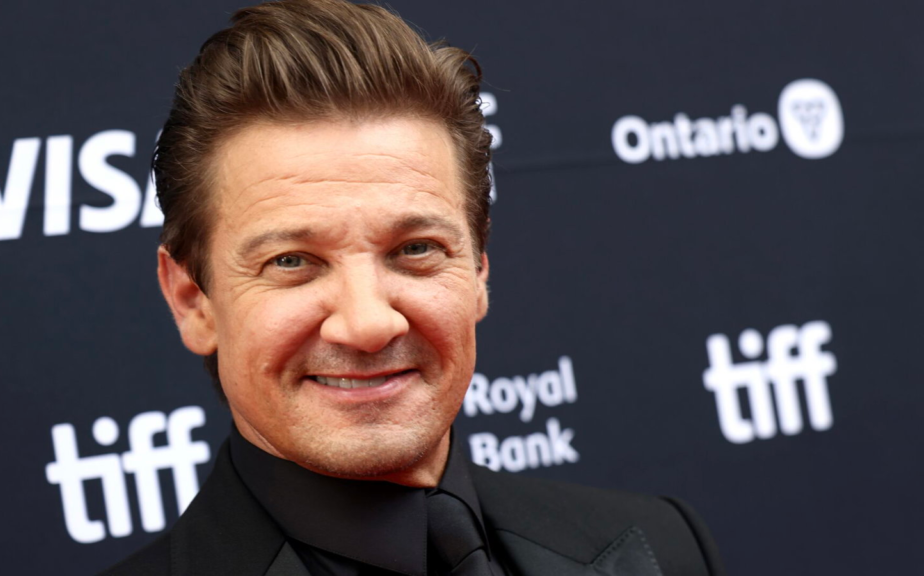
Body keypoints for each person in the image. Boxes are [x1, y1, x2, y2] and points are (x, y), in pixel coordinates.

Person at [104, 0, 726, 574]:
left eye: (416, 250)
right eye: (292, 261)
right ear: (193, 301)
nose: (369, 324)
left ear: (478, 270)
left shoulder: (662, 545)